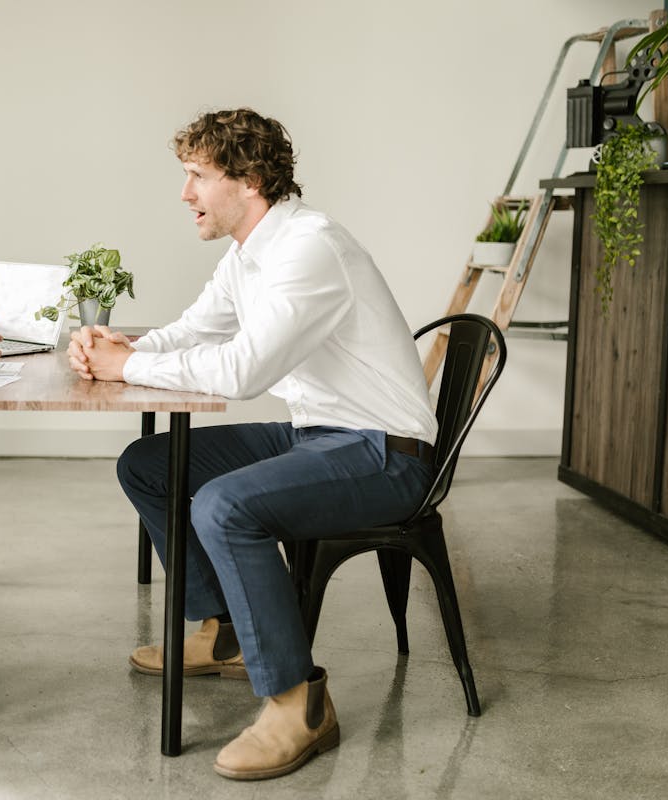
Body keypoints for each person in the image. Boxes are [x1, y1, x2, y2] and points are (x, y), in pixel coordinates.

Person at [68, 108, 438, 780]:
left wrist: (126, 369)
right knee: (151, 464)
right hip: (317, 434)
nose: (186, 195)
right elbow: (196, 329)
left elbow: (241, 371)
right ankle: (226, 632)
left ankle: (300, 703)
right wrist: (123, 347)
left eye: (197, 177)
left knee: (223, 505)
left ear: (251, 180)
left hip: (383, 454)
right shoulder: (252, 253)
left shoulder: (309, 246)